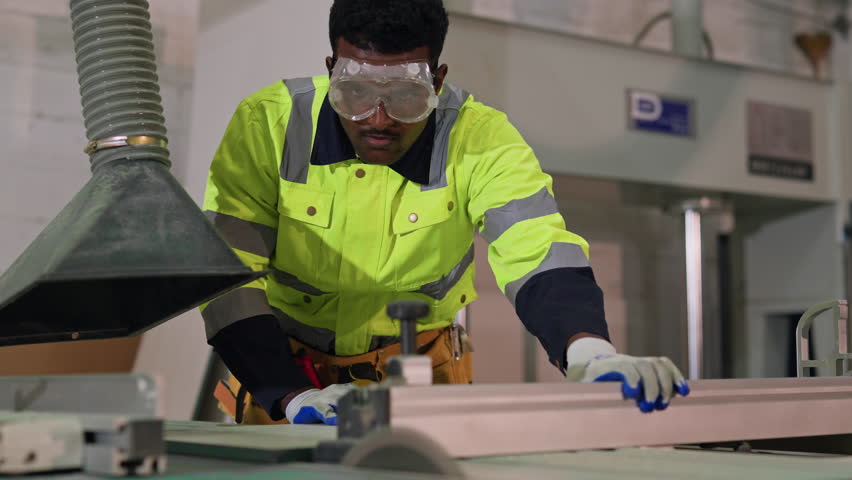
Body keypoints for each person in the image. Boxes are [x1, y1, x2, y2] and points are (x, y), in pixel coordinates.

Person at [202, 0, 689, 426]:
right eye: (356, 92)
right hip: (284, 379)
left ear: (437, 80)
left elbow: (538, 248)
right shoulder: (269, 124)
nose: (378, 119)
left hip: (422, 383)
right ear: (332, 71)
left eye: (405, 96)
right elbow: (228, 276)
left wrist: (589, 351)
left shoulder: (480, 138)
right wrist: (292, 395)